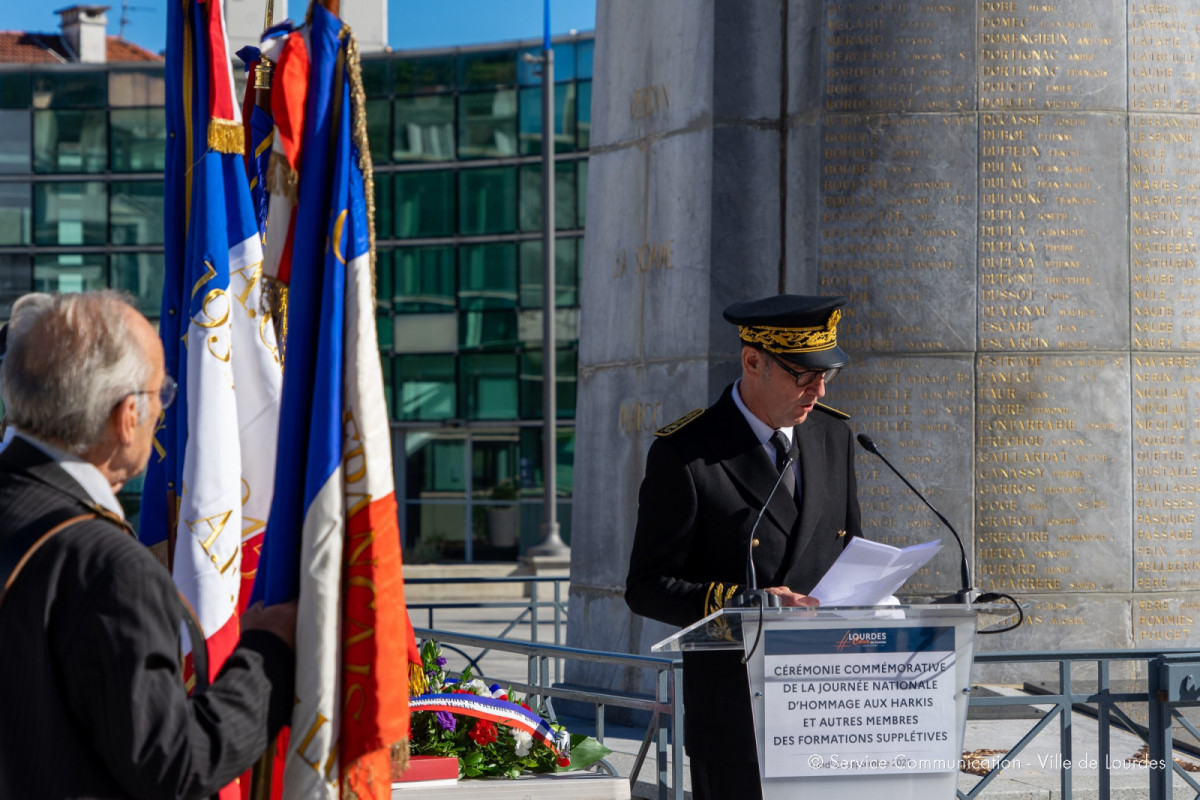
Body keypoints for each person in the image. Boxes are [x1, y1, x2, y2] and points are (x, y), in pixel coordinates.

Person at [0, 290, 297, 799]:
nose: (165, 409)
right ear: (126, 416)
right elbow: (173, 767)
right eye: (163, 393)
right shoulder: (106, 565)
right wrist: (270, 651)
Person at [625, 294, 862, 800]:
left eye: (827, 376)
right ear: (753, 361)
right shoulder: (687, 453)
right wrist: (750, 606)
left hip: (832, 707)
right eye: (804, 375)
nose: (818, 390)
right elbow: (647, 587)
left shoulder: (832, 435)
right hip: (739, 719)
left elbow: (849, 551)